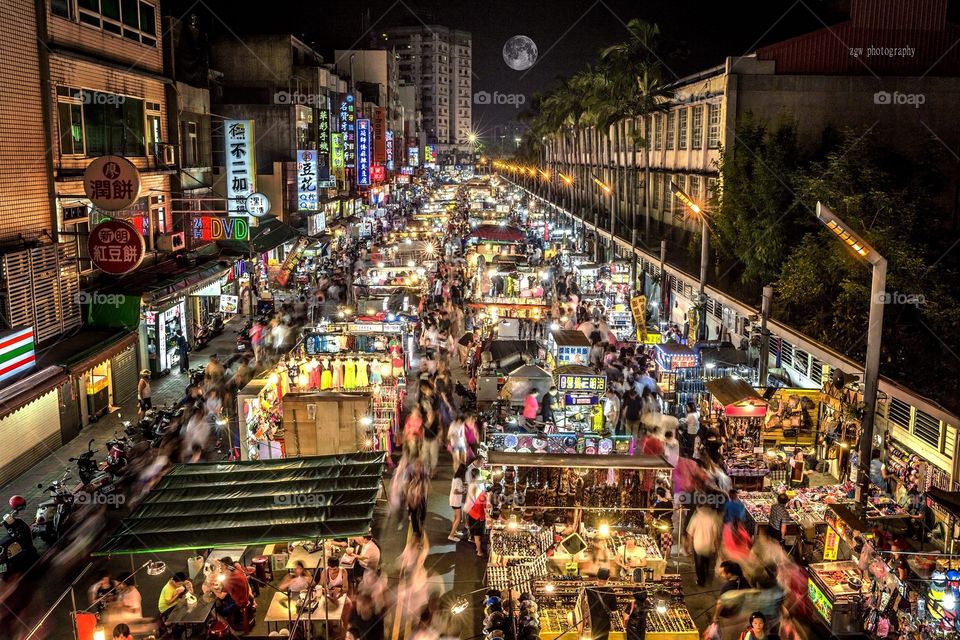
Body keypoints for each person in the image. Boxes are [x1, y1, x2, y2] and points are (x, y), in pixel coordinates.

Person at [687, 505, 722, 587]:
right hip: (709, 545)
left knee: (699, 565)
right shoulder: (713, 518)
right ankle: (706, 577)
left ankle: (701, 581)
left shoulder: (696, 517)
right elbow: (716, 535)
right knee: (707, 562)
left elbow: (690, 533)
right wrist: (717, 548)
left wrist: (690, 544)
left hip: (698, 545)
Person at [585, 568, 619, 640]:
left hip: (591, 621)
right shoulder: (610, 591)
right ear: (608, 578)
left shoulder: (588, 588)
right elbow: (614, 610)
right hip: (604, 623)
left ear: (597, 577)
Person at [466, 481, 488, 557]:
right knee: (477, 536)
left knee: (476, 535)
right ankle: (479, 552)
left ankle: (477, 547)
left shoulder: (479, 494)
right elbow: (485, 509)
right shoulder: (484, 497)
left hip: (472, 515)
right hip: (477, 518)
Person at [449, 464, 467, 542]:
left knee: (455, 517)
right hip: (456, 501)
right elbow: (455, 491)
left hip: (453, 500)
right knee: (459, 518)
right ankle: (451, 535)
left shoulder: (455, 478)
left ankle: (454, 531)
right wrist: (463, 492)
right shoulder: (458, 480)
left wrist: (463, 487)